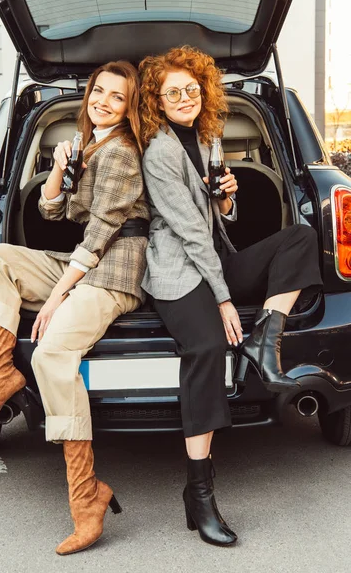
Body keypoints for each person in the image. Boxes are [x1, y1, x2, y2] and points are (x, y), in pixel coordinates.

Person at [0, 61, 150, 556]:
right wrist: (61, 167)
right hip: (84, 259)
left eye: (117, 97)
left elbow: (104, 230)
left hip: (117, 270)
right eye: (98, 91)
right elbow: (50, 211)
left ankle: (87, 499)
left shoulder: (123, 151)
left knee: (50, 355)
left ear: (129, 109)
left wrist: (59, 293)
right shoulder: (91, 145)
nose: (103, 101)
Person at [139, 45, 323, 547]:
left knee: (302, 239)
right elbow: (188, 233)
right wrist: (223, 300)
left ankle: (267, 336)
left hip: (214, 257)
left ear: (204, 93)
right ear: (156, 98)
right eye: (172, 91)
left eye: (192, 90)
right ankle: (200, 494)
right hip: (178, 271)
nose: (183, 98)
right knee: (205, 348)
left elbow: (215, 222)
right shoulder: (158, 149)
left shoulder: (205, 137)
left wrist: (226, 197)